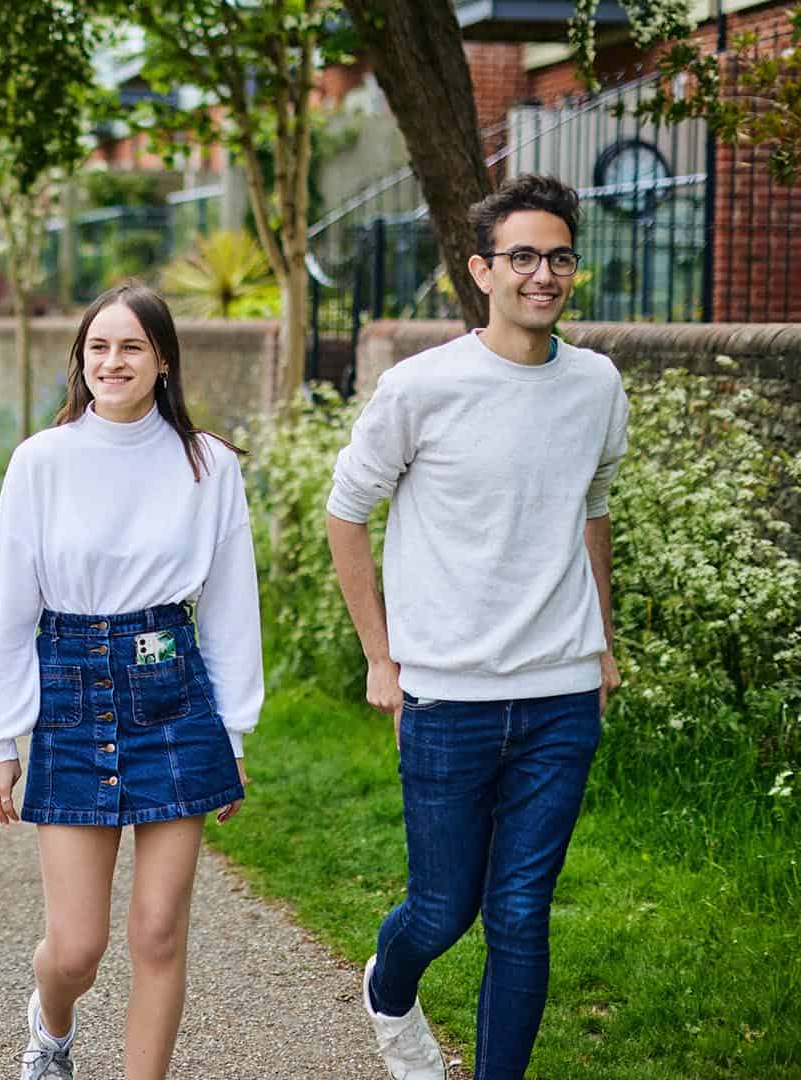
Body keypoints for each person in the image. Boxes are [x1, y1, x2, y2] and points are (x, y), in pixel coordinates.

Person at [326, 175, 628, 1080]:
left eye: (560, 257)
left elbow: (595, 509)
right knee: (442, 910)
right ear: (482, 270)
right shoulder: (423, 387)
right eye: (524, 257)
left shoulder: (597, 385)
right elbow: (347, 512)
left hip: (560, 694)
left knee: (523, 913)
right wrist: (381, 657)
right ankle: (390, 986)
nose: (544, 274)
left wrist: (604, 642)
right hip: (447, 695)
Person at [0, 283, 264, 1080]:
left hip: (173, 688)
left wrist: (233, 734)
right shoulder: (42, 461)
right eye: (98, 346)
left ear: (163, 360)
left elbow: (233, 607)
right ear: (81, 360)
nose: (112, 361)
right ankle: (51, 1026)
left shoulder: (209, 465)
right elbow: (8, 605)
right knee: (77, 946)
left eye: (131, 346)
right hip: (70, 688)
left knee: (160, 930)